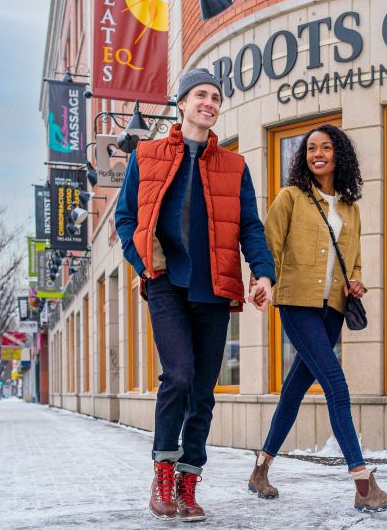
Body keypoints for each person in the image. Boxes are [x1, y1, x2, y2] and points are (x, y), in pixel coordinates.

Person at [115, 68, 275, 522]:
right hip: (166, 284)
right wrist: (144, 264)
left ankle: (188, 481)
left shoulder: (234, 166)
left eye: (215, 97)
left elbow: (250, 225)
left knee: (203, 391)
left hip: (214, 289)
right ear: (182, 103)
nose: (209, 102)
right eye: (200, 94)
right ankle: (163, 472)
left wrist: (263, 273)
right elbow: (125, 218)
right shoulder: (145, 156)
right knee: (179, 376)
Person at [248, 124, 387, 513]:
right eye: (311, 148)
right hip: (297, 303)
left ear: (339, 155)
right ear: (304, 158)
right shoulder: (290, 197)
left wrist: (356, 282)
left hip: (333, 310)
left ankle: (260, 469)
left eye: (326, 147)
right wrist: (263, 280)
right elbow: (269, 246)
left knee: (294, 389)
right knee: (336, 385)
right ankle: (363, 484)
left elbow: (354, 261)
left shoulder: (351, 209)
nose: (318, 153)